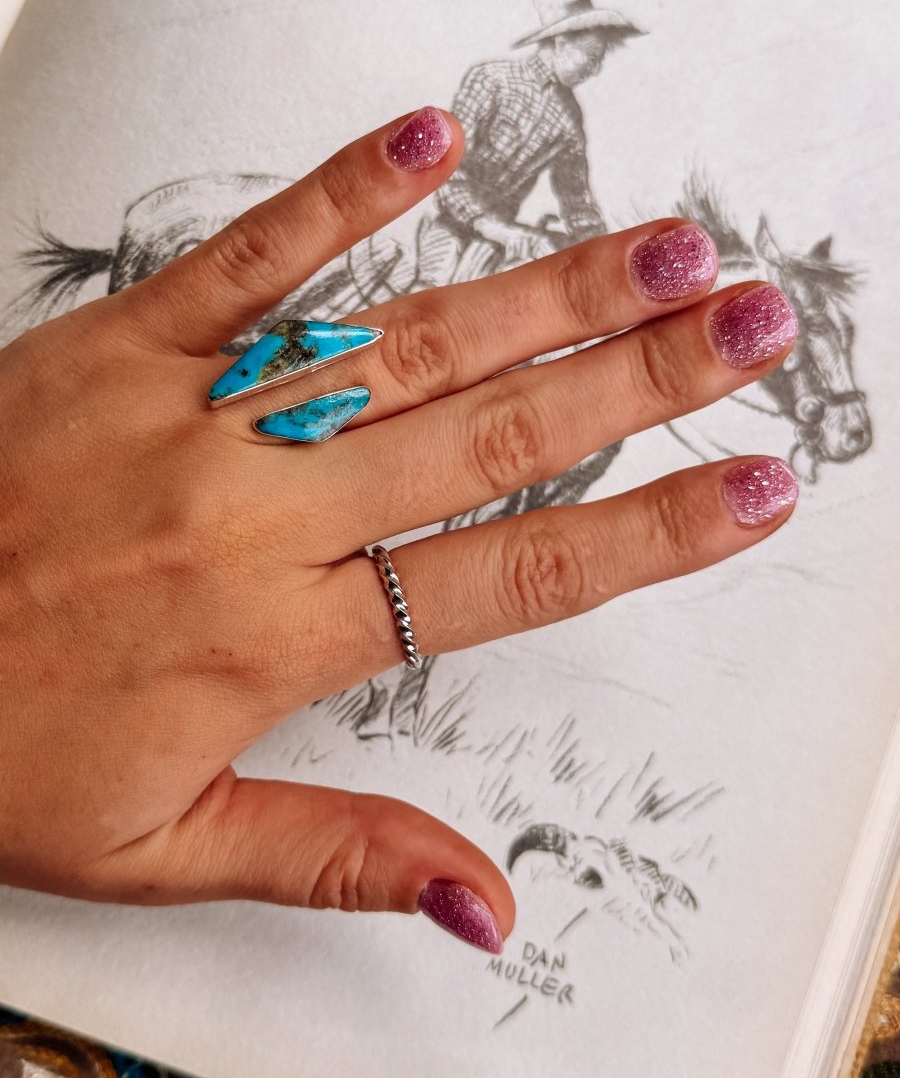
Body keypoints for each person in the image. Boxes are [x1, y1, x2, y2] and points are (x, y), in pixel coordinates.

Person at [0, 105, 799, 955]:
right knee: (424, 330)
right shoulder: (509, 83)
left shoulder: (562, 111)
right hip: (459, 225)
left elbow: (572, 191)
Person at [434, 0, 644, 276]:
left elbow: (577, 202)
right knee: (437, 289)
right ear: (561, 43)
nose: (595, 70)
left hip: (508, 240)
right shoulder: (492, 80)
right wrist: (494, 228)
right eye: (592, 57)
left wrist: (607, 258)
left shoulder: (569, 118)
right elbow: (445, 168)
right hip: (450, 230)